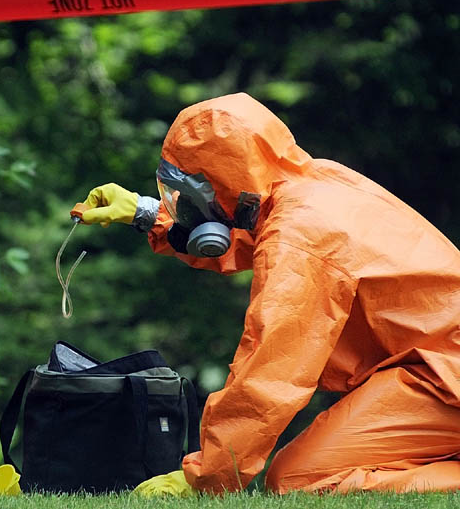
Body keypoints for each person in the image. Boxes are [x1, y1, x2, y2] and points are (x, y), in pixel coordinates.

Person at [76, 92, 460, 493]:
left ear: (223, 185)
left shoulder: (300, 236)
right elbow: (248, 238)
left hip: (442, 376)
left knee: (297, 480)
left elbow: (270, 372)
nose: (186, 207)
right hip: (434, 366)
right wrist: (146, 213)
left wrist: (209, 476)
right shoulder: (310, 183)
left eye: (190, 194)